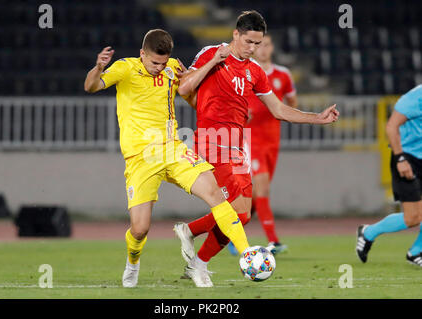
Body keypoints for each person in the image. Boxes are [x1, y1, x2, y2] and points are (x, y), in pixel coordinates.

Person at [174, 10, 339, 287]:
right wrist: (214, 61)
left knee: (244, 215)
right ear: (236, 34)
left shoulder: (255, 72)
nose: (253, 49)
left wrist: (316, 118)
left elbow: (278, 109)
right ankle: (198, 265)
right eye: (249, 42)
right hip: (211, 140)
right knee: (235, 214)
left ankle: (189, 230)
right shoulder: (211, 53)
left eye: (258, 44)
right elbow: (184, 88)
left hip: (239, 146)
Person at [84, 29, 252, 288]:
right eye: (154, 63)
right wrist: (98, 68)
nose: (158, 68)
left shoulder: (172, 68)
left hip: (172, 149)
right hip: (141, 157)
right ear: (142, 54)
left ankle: (248, 255)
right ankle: (133, 262)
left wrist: (222, 110)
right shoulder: (125, 68)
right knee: (140, 229)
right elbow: (91, 86)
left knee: (216, 194)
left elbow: (190, 94)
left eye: (163, 63)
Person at [227, 33, 298, 256]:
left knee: (257, 195)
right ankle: (274, 241)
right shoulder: (247, 71)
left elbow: (291, 101)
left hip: (272, 141)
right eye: (260, 45)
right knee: (263, 189)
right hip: (249, 140)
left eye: (267, 44)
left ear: (272, 47)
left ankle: (230, 235)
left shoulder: (283, 75)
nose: (264, 49)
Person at [356, 84, 422, 267]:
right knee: (413, 218)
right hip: (408, 158)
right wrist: (400, 158)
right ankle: (368, 233)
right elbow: (391, 126)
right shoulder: (415, 98)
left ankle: (416, 252)